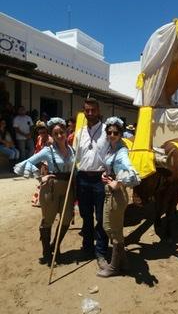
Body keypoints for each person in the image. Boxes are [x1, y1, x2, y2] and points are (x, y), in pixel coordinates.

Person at [14, 117, 75, 265]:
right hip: (51, 189)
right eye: (56, 134)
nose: (60, 136)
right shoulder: (48, 151)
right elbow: (23, 164)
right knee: (48, 220)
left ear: (66, 132)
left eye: (62, 132)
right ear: (51, 135)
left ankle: (56, 245)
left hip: (68, 189)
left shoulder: (72, 149)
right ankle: (47, 251)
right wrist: (40, 177)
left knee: (66, 219)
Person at [97, 117, 140, 277]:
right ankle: (124, 262)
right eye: (109, 132)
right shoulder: (111, 148)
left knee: (111, 229)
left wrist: (119, 182)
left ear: (121, 134)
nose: (112, 135)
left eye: (116, 132)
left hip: (116, 194)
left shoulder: (121, 151)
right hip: (110, 191)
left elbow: (131, 172)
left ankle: (115, 267)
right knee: (112, 228)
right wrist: (106, 174)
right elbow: (111, 166)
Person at [74, 98, 109, 269]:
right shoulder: (79, 132)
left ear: (98, 110)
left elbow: (117, 152)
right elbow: (74, 157)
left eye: (93, 110)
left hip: (100, 180)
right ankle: (87, 246)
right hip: (82, 178)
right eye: (87, 110)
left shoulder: (107, 131)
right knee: (85, 215)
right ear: (84, 111)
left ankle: (101, 252)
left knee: (102, 217)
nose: (90, 113)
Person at [31, 121, 53, 207]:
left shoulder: (50, 140)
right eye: (40, 132)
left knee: (46, 182)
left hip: (48, 163)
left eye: (43, 132)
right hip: (42, 162)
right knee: (43, 181)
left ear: (47, 131)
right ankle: (41, 200)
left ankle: (42, 200)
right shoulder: (39, 138)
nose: (42, 134)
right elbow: (37, 150)